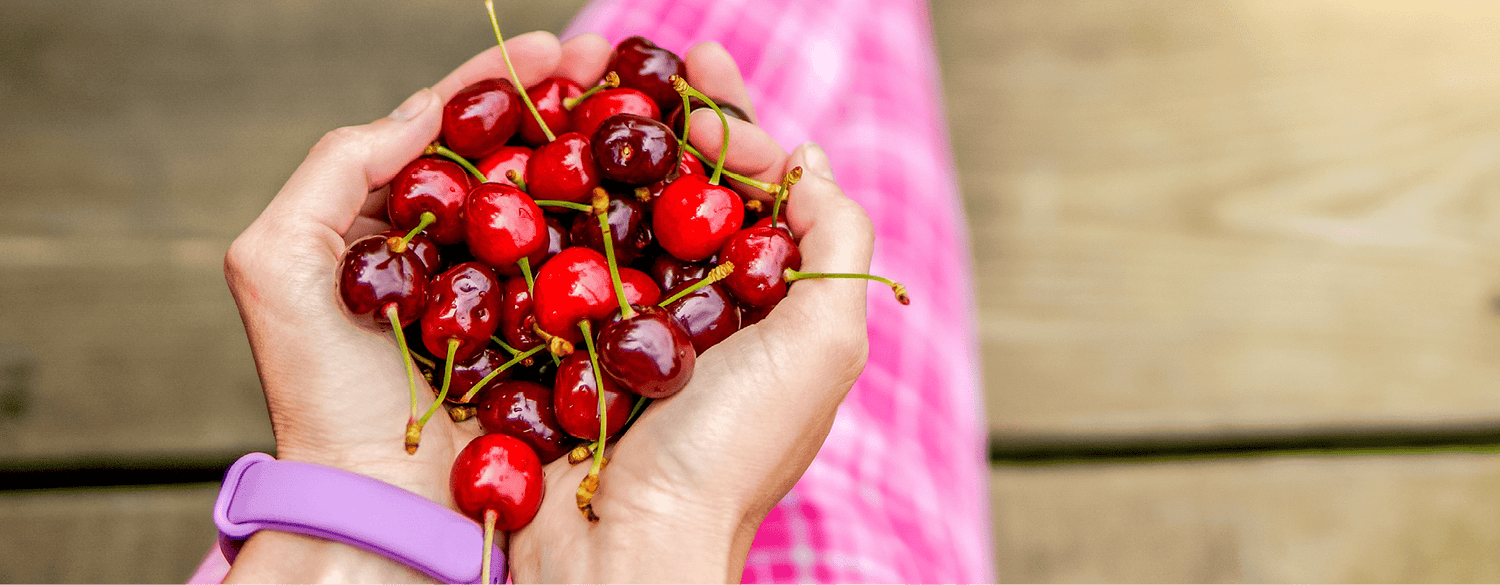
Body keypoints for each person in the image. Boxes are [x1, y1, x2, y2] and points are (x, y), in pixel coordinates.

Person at [195, 0, 992, 582]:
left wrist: (352, 495)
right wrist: (659, 530)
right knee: (817, 68)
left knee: (719, 76)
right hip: (837, 547)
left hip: (431, 489)